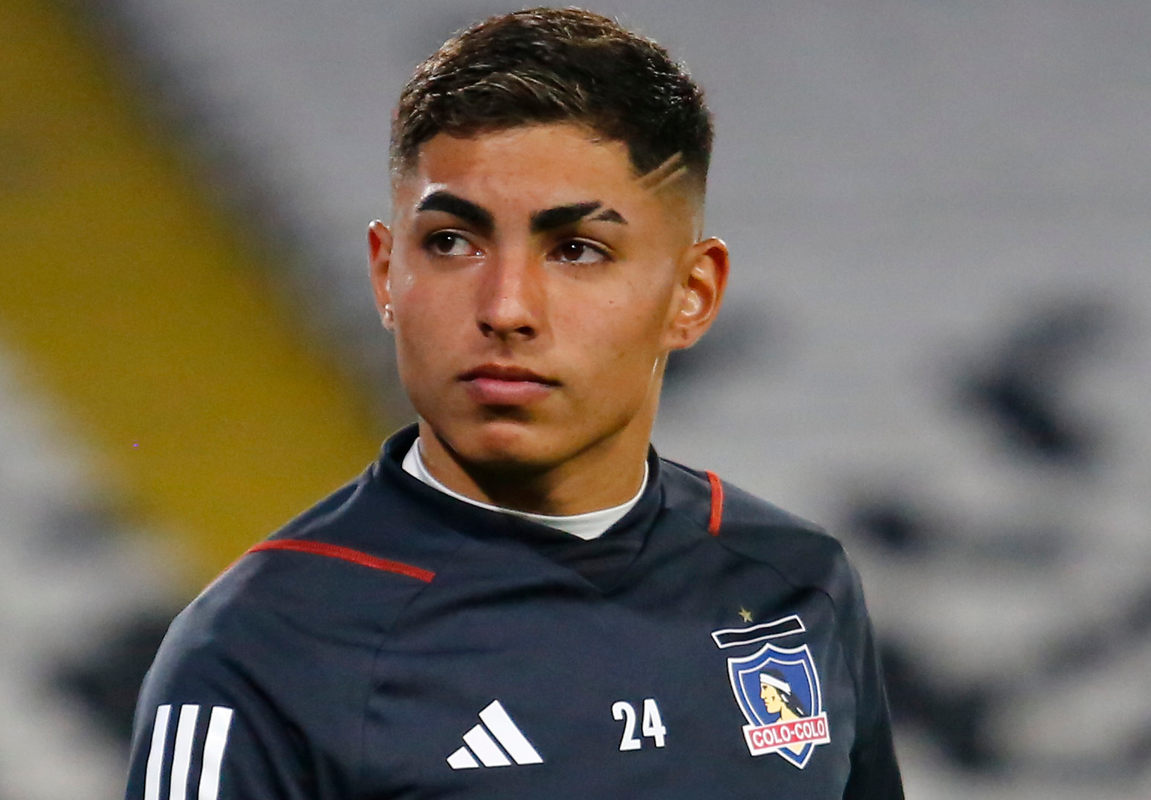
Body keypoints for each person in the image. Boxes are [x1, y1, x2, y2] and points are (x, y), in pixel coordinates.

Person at [126, 7, 904, 799]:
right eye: (452, 243)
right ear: (385, 273)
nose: (505, 307)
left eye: (576, 250)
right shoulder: (262, 651)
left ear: (691, 295)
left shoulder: (793, 582)